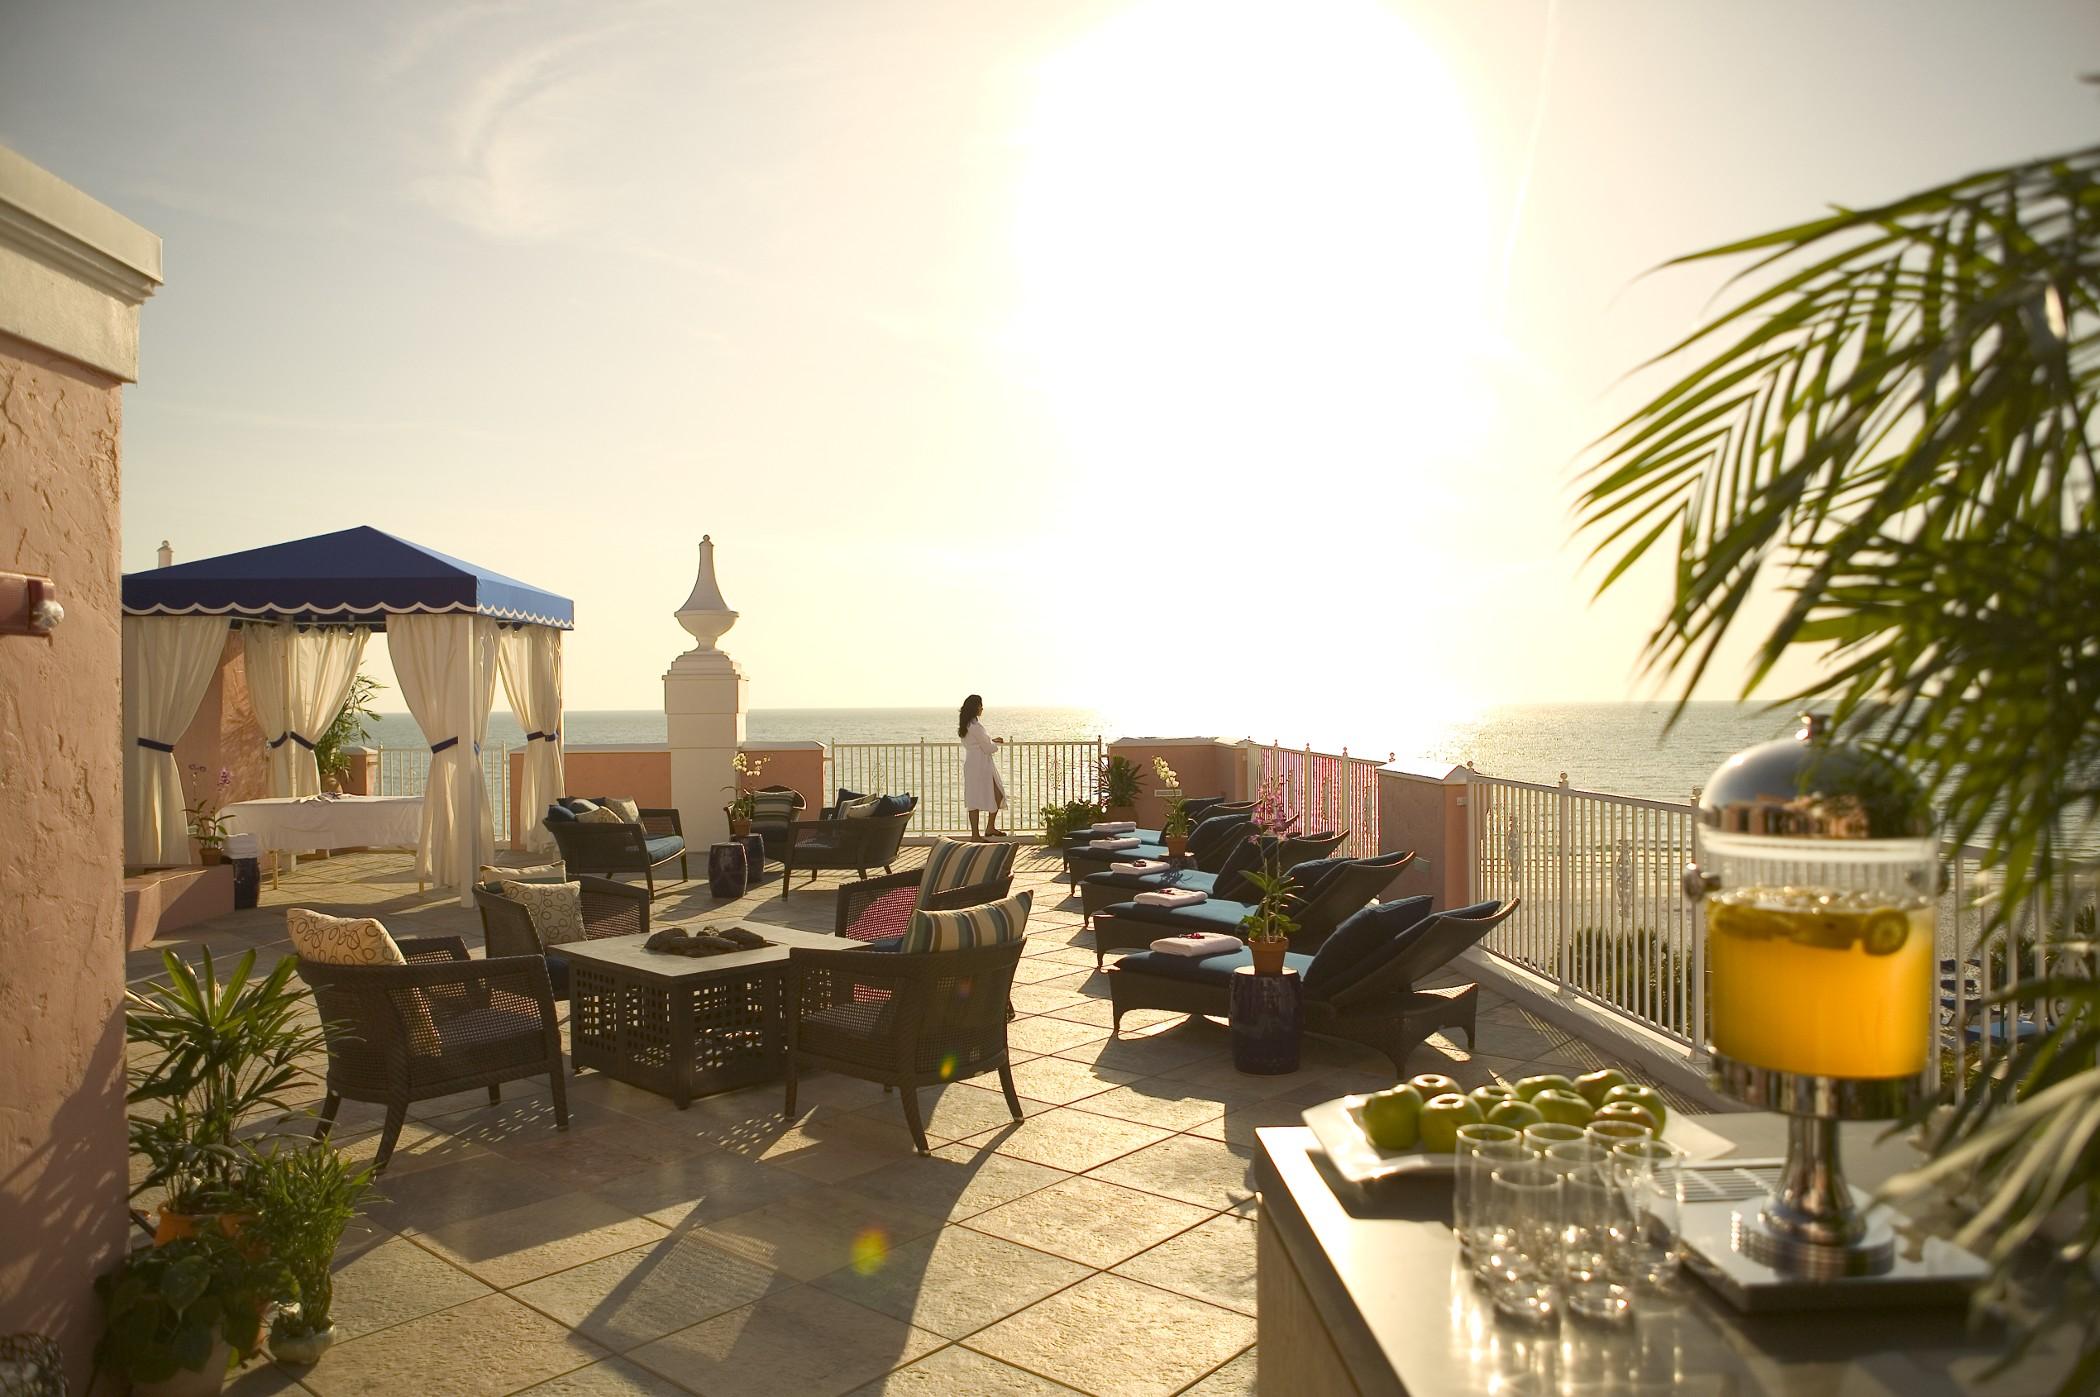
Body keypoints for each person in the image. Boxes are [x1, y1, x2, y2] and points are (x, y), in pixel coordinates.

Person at [959, 694, 1006, 839]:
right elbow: (987, 748)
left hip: (973, 764)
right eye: (980, 705)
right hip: (980, 765)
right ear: (976, 707)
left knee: (974, 798)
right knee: (998, 793)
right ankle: (982, 831)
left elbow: (979, 742)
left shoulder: (967, 725)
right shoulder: (975, 726)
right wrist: (995, 744)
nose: (982, 708)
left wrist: (991, 740)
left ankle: (984, 830)